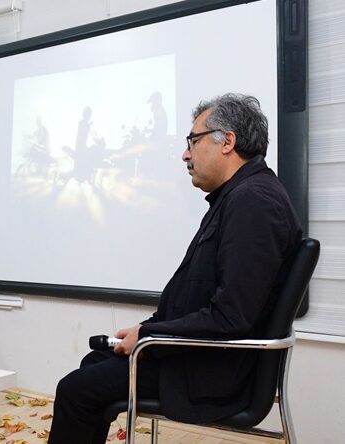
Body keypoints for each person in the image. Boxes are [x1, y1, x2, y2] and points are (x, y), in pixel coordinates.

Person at [49, 94, 302, 443]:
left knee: (75, 390)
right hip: (206, 360)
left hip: (213, 374)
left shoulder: (253, 202)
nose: (185, 154)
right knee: (95, 364)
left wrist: (150, 336)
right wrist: (147, 328)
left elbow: (231, 317)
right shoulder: (240, 196)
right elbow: (205, 295)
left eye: (193, 141)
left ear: (227, 141)